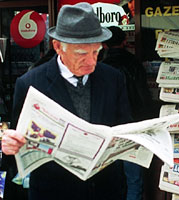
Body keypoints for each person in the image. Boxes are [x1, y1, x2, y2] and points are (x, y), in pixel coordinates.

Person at [2, 3, 131, 200]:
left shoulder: (113, 78)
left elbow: (124, 125)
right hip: (53, 192)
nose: (91, 62)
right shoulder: (30, 83)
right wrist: (10, 145)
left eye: (96, 52)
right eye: (81, 54)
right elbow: (19, 143)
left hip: (106, 190)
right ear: (57, 47)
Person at [101, 26, 154, 200]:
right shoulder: (133, 63)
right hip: (132, 127)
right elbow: (142, 96)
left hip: (106, 129)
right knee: (134, 179)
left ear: (104, 44)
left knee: (107, 177)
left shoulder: (98, 66)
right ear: (124, 42)